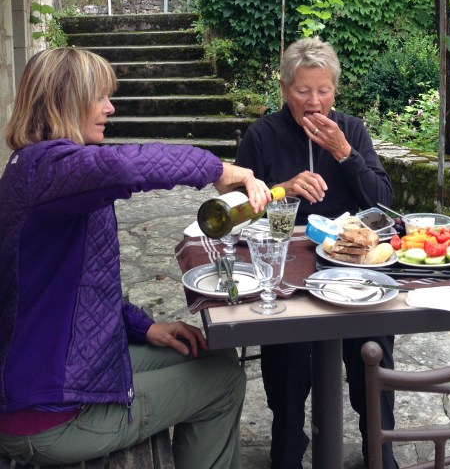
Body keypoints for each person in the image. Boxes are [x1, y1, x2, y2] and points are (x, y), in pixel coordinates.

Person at [0, 47, 272, 469]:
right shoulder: (50, 170)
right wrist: (221, 170)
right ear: (64, 100)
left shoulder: (38, 170)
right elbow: (127, 168)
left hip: (63, 373)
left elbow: (78, 288)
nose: (110, 108)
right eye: (100, 97)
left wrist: (146, 327)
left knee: (209, 351)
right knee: (223, 382)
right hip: (47, 415)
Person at [236, 36, 398, 469]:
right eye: (303, 91)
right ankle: (287, 449)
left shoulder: (353, 129)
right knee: (287, 357)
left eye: (323, 90)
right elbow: (235, 210)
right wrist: (280, 189)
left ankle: (380, 451)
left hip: (351, 262)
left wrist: (344, 153)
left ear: (335, 90)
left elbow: (382, 205)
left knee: (374, 348)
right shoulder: (262, 135)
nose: (314, 102)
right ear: (285, 89)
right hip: (285, 264)